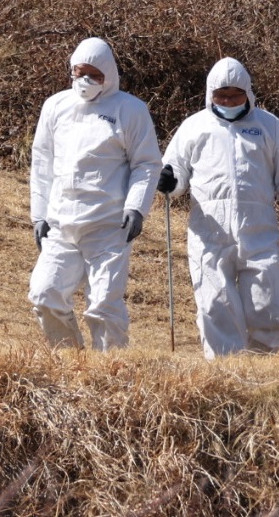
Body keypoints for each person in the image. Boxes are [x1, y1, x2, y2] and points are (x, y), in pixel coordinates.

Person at [157, 57, 279, 359]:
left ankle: (259, 366)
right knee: (216, 306)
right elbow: (176, 173)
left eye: (234, 95)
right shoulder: (194, 127)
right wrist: (169, 181)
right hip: (208, 233)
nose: (227, 101)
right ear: (210, 94)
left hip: (259, 232)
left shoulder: (268, 126)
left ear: (248, 94)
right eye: (221, 96)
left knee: (268, 308)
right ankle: (227, 373)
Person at [28, 37, 163, 350]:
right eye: (79, 72)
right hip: (60, 223)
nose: (85, 81)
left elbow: (146, 163)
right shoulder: (55, 106)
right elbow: (42, 162)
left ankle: (111, 371)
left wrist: (137, 208)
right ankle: (69, 362)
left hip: (108, 226)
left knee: (103, 305)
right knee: (45, 293)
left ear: (109, 76)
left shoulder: (130, 110)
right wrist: (39, 214)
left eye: (94, 75)